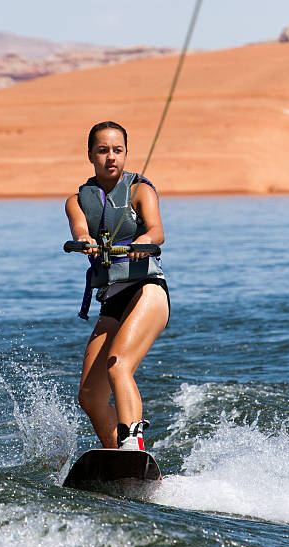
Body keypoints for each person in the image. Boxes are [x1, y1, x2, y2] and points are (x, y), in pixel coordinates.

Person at [65, 121, 170, 451]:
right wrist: (84, 241)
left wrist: (144, 240)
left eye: (118, 150)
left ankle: (132, 443)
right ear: (90, 156)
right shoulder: (76, 201)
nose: (111, 157)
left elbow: (157, 232)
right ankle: (121, 459)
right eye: (103, 150)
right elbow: (80, 230)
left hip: (147, 290)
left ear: (125, 153)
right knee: (90, 395)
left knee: (118, 364)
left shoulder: (141, 191)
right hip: (112, 299)